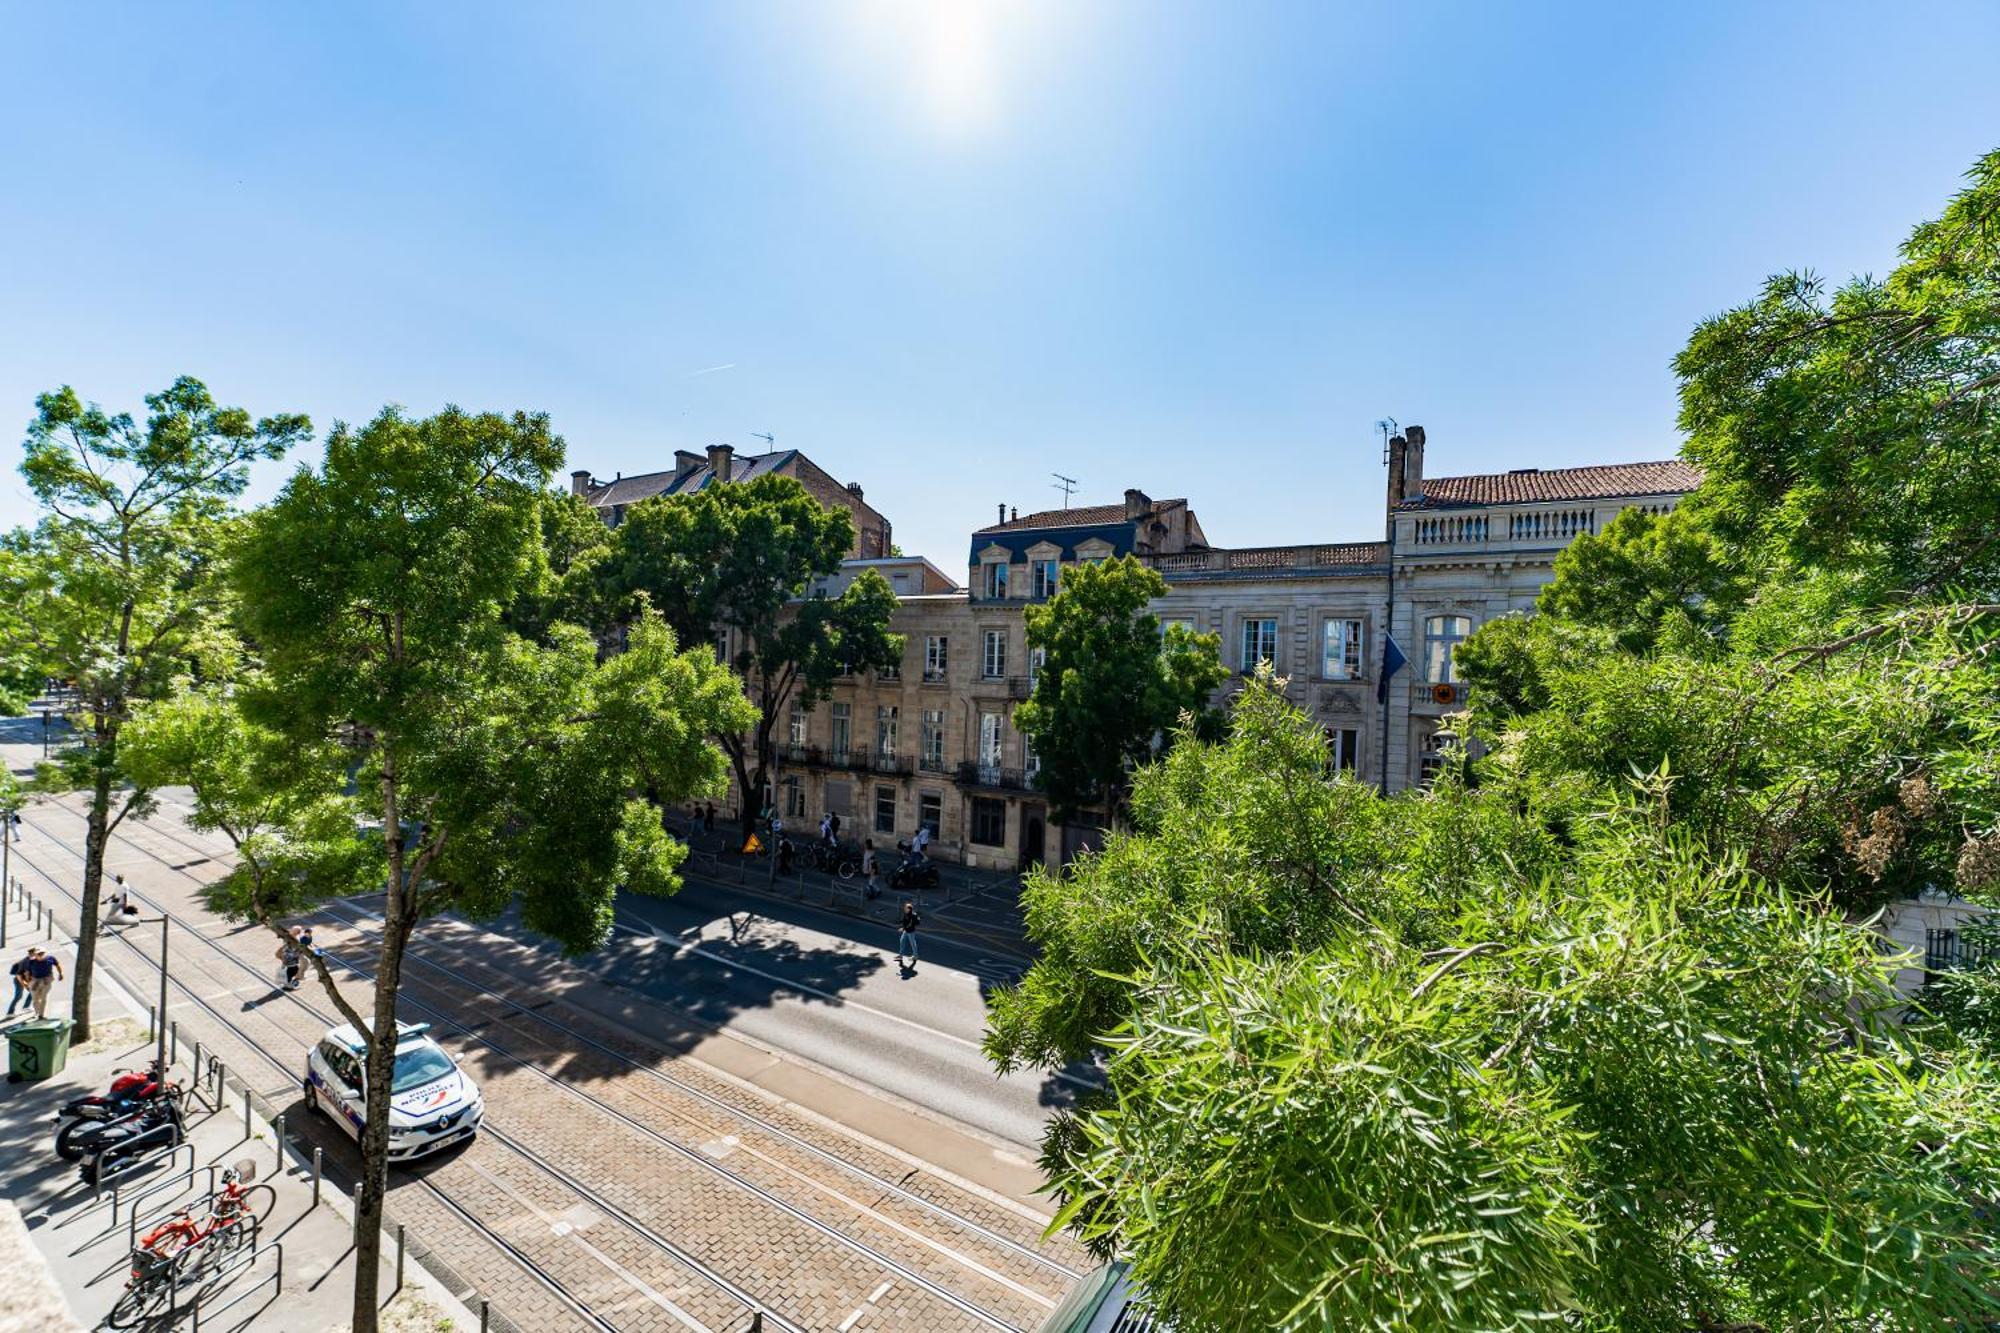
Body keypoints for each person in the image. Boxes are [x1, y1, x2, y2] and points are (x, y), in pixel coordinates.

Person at [24, 946, 63, 1018]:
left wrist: (61, 973)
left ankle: (41, 1015)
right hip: (35, 981)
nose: (40, 955)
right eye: (38, 954)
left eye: (42, 953)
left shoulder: (51, 958)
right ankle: (37, 1012)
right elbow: (27, 972)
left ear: (45, 953)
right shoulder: (31, 962)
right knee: (35, 998)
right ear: (35, 954)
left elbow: (57, 965)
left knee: (43, 998)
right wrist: (28, 982)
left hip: (46, 980)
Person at [6, 948, 33, 1017]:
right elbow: (19, 976)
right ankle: (9, 1013)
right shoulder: (25, 962)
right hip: (19, 980)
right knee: (18, 996)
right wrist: (25, 984)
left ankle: (26, 1007)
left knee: (32, 992)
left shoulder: (31, 961)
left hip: (25, 979)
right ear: (30, 954)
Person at [897, 901, 921, 970]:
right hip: (906, 931)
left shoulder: (913, 915)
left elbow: (910, 924)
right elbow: (905, 922)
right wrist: (903, 928)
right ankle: (901, 955)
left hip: (910, 932)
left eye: (906, 908)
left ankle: (915, 956)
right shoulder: (906, 914)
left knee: (913, 944)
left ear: (909, 909)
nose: (904, 908)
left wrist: (903, 928)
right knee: (902, 941)